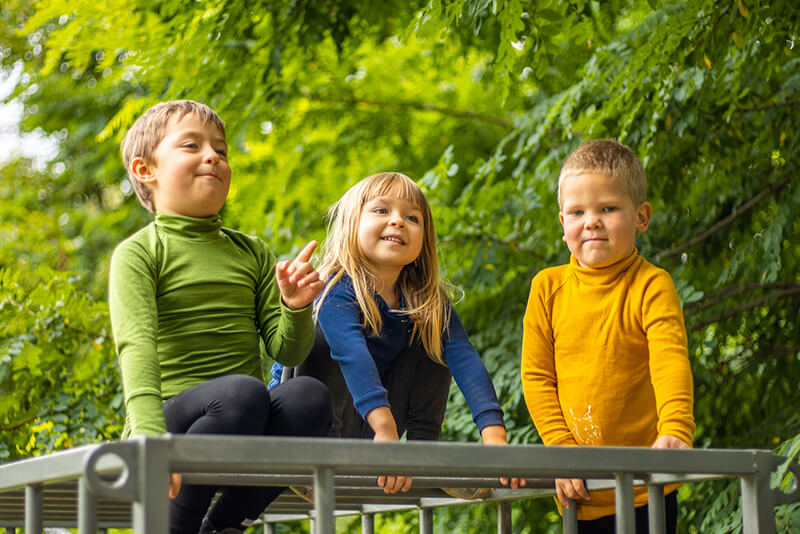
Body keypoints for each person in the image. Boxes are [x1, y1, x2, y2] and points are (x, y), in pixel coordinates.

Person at [109, 100, 332, 534]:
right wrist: (150, 440)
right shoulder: (139, 253)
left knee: (309, 396)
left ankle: (224, 525)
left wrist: (295, 307)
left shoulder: (251, 252)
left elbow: (288, 351)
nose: (212, 156)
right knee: (241, 393)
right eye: (191, 145)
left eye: (221, 150)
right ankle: (177, 525)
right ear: (145, 170)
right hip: (170, 422)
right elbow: (136, 349)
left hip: (243, 418)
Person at [271, 171, 523, 495]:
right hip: (302, 426)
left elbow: (465, 359)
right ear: (352, 224)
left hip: (367, 430)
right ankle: (317, 465)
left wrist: (495, 438)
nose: (398, 221)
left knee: (433, 335)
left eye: (412, 217)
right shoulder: (334, 287)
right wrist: (386, 433)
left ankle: (422, 458)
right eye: (381, 210)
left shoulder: (426, 300)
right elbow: (352, 355)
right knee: (326, 335)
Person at [521, 139, 695, 533]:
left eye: (608, 209)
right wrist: (560, 449)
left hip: (647, 486)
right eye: (577, 211)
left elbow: (669, 359)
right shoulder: (547, 288)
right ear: (562, 223)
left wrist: (675, 428)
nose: (592, 221)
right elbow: (536, 377)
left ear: (641, 216)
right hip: (579, 488)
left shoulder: (651, 285)